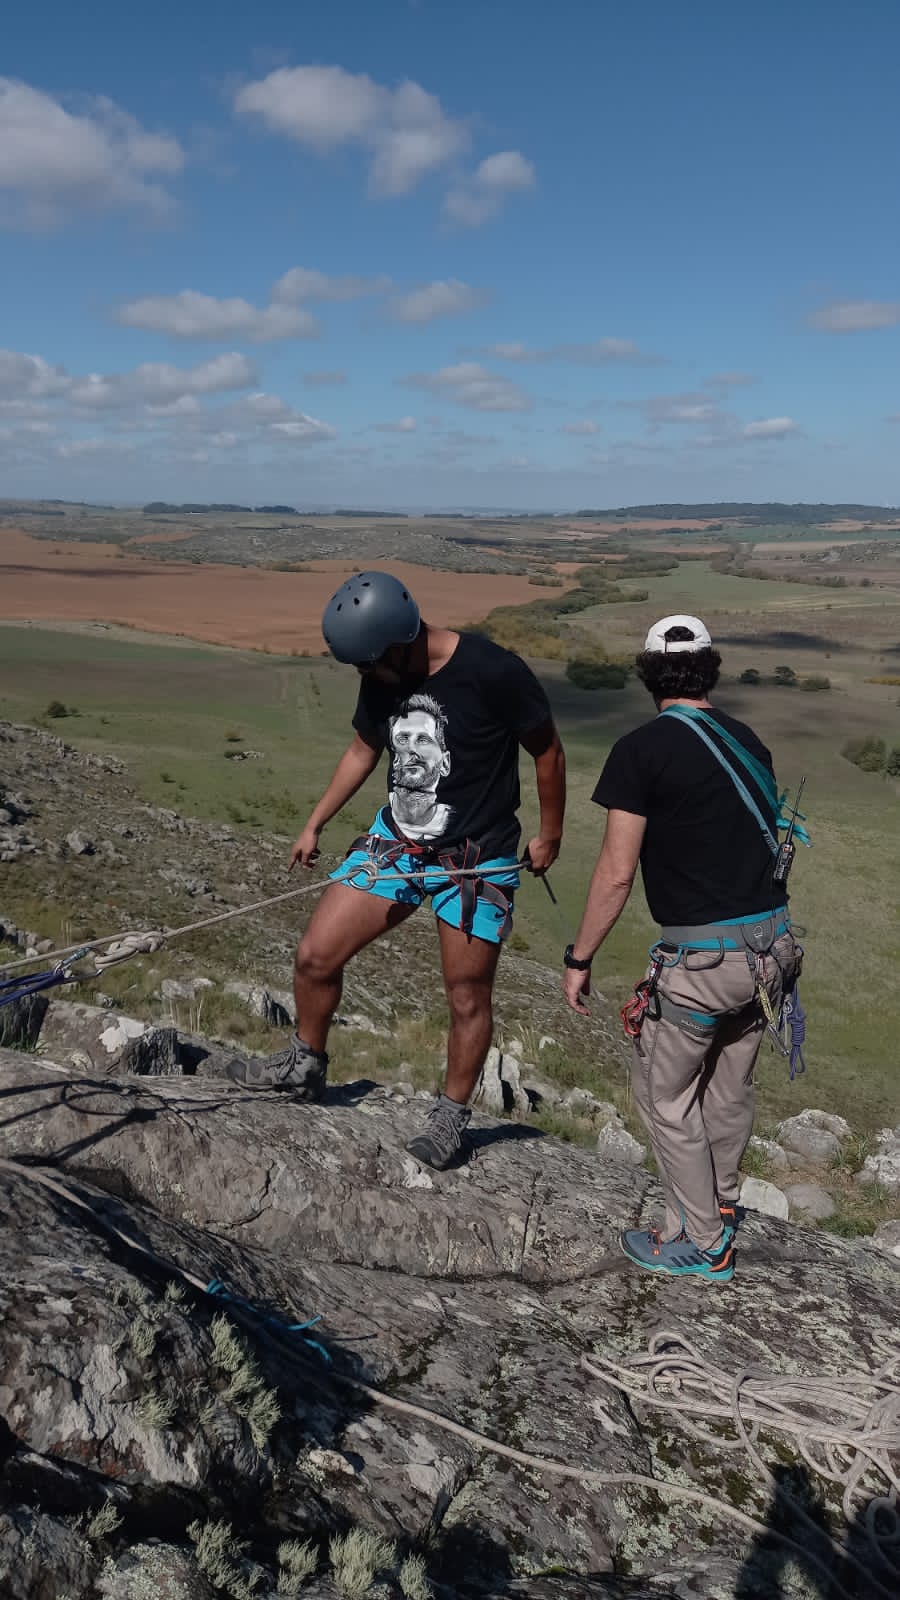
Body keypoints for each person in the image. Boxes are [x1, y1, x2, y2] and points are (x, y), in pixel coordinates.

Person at [228, 569, 566, 1170]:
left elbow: (548, 750)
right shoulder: (383, 672)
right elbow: (365, 748)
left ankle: (450, 1117)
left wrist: (551, 833)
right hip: (399, 844)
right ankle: (305, 1063)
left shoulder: (493, 671)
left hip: (476, 857)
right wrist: (315, 822)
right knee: (315, 956)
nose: (365, 676)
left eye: (369, 665)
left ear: (400, 644)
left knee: (466, 995)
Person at [561, 614, 802, 1283]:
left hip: (703, 964)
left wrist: (580, 958)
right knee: (727, 1090)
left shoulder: (640, 751)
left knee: (664, 1098)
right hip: (770, 953)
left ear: (648, 673)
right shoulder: (748, 740)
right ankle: (717, 1202)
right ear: (710, 669)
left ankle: (703, 1241)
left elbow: (616, 873)